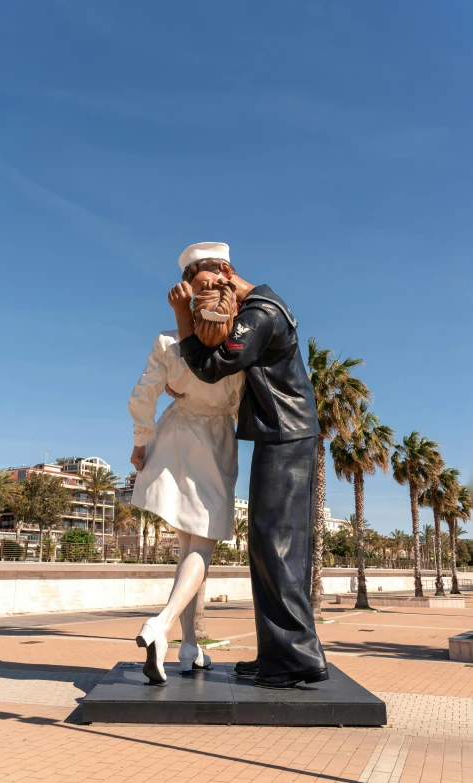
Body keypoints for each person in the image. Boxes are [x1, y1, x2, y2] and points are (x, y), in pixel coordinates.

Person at [168, 241, 328, 689]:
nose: (206, 302)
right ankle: (277, 652)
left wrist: (183, 320)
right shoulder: (258, 307)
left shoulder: (259, 313)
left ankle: (296, 658)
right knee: (266, 545)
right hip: (279, 434)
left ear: (225, 270)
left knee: (277, 545)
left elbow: (216, 365)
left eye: (206, 288)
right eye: (197, 297)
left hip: (287, 435)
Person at [128, 277, 243, 684]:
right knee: (203, 545)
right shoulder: (237, 354)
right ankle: (161, 624)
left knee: (186, 550)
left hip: (173, 437)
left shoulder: (167, 342)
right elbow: (240, 409)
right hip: (212, 443)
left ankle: (189, 646)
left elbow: (142, 395)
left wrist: (142, 442)